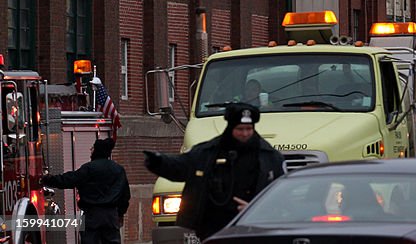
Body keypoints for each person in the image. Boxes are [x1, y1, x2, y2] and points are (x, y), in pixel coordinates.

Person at [144, 104, 284, 241]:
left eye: (249, 129)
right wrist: (158, 162)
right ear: (230, 128)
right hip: (215, 227)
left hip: (255, 229)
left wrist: (255, 210)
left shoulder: (269, 156)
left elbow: (282, 195)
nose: (245, 134)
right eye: (240, 129)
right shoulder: (209, 153)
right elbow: (183, 166)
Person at [42, 137, 130, 244]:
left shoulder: (89, 169)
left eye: (93, 148)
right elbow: (125, 196)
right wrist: (119, 213)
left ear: (97, 151)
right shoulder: (119, 170)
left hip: (91, 216)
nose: (91, 151)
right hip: (111, 216)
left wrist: (47, 179)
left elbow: (69, 180)